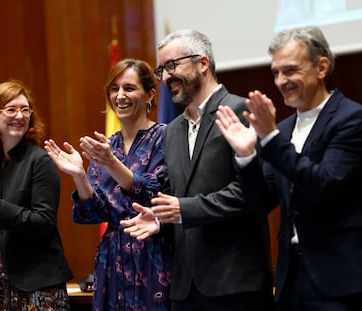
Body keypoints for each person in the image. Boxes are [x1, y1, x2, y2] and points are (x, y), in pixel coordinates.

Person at [121, 29, 275, 310]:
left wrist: (185, 209)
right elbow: (173, 195)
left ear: (203, 63)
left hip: (236, 285)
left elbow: (255, 194)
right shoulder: (173, 130)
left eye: (172, 65)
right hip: (185, 289)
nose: (166, 77)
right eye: (161, 70)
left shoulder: (239, 110)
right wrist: (159, 220)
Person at [215, 26, 362, 310]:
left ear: (321, 67)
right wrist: (246, 155)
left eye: (291, 70)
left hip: (339, 282)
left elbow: (323, 185)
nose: (281, 81)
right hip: (290, 281)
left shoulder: (352, 119)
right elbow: (260, 203)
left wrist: (269, 138)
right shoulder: (283, 130)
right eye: (275, 72)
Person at [44, 59, 173, 310]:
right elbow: (94, 212)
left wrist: (112, 164)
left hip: (152, 254)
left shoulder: (166, 135)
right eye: (114, 89)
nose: (120, 96)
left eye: (129, 88)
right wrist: (80, 176)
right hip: (113, 259)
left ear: (150, 94)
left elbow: (154, 191)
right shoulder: (107, 145)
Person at [0, 80, 73, 310]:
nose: (19, 116)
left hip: (36, 283)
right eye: (11, 109)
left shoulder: (40, 161)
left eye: (25, 109)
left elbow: (43, 222)